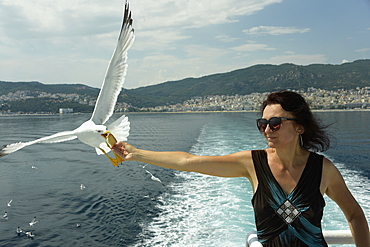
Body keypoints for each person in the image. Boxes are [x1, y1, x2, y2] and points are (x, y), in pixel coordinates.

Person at [112, 90, 370, 246]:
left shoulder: (323, 170)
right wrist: (136, 153)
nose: (267, 129)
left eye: (276, 123)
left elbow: (356, 216)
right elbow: (189, 161)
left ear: (299, 126)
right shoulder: (252, 164)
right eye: (263, 123)